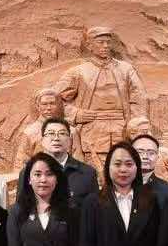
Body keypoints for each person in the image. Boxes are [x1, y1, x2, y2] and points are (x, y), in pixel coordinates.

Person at [55, 26, 148, 163]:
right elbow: (55, 100)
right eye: (100, 42)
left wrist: (137, 124)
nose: (105, 46)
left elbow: (139, 98)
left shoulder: (126, 69)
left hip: (122, 129)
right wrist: (75, 114)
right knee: (93, 169)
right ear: (89, 46)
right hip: (92, 131)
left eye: (108, 42)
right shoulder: (78, 72)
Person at [12, 87, 82, 170]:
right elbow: (20, 165)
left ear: (59, 105)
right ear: (38, 106)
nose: (48, 108)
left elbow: (79, 164)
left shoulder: (71, 132)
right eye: (44, 104)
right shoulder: (29, 133)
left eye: (52, 103)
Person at [39, 117, 99, 205]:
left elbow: (94, 211)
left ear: (70, 140)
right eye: (51, 133)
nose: (56, 138)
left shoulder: (87, 173)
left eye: (62, 133)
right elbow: (21, 209)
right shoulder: (29, 173)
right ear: (42, 140)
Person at [132, 133, 168, 211]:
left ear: (157, 157)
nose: (145, 157)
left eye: (151, 153)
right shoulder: (116, 188)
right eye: (139, 152)